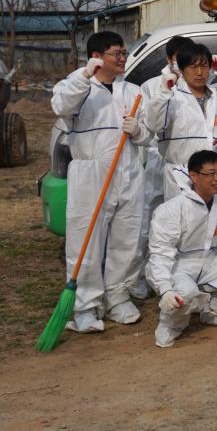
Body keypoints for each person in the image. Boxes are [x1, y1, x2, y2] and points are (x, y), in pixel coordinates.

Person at [51, 31, 148, 332]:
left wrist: (138, 131)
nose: (122, 59)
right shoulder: (78, 86)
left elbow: (149, 133)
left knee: (127, 236)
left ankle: (118, 296)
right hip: (91, 172)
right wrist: (83, 76)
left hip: (128, 168)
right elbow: (62, 107)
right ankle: (86, 305)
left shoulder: (132, 90)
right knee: (86, 239)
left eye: (123, 53)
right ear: (97, 57)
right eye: (116, 53)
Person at [147, 150, 217, 348]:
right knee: (183, 294)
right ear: (194, 176)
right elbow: (161, 252)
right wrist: (164, 289)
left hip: (212, 257)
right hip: (180, 263)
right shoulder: (172, 209)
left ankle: (216, 313)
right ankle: (170, 325)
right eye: (210, 173)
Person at [133, 34, 192, 299]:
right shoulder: (150, 85)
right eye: (179, 59)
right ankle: (146, 275)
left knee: (186, 221)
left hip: (188, 160)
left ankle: (182, 275)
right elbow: (149, 125)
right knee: (151, 219)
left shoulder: (201, 82)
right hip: (159, 158)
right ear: (169, 59)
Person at [145, 42, 217, 201]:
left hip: (216, 178)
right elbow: (154, 125)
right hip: (182, 177)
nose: (200, 72)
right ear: (181, 69)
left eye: (204, 66)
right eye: (193, 67)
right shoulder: (171, 97)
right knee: (186, 223)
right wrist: (163, 94)